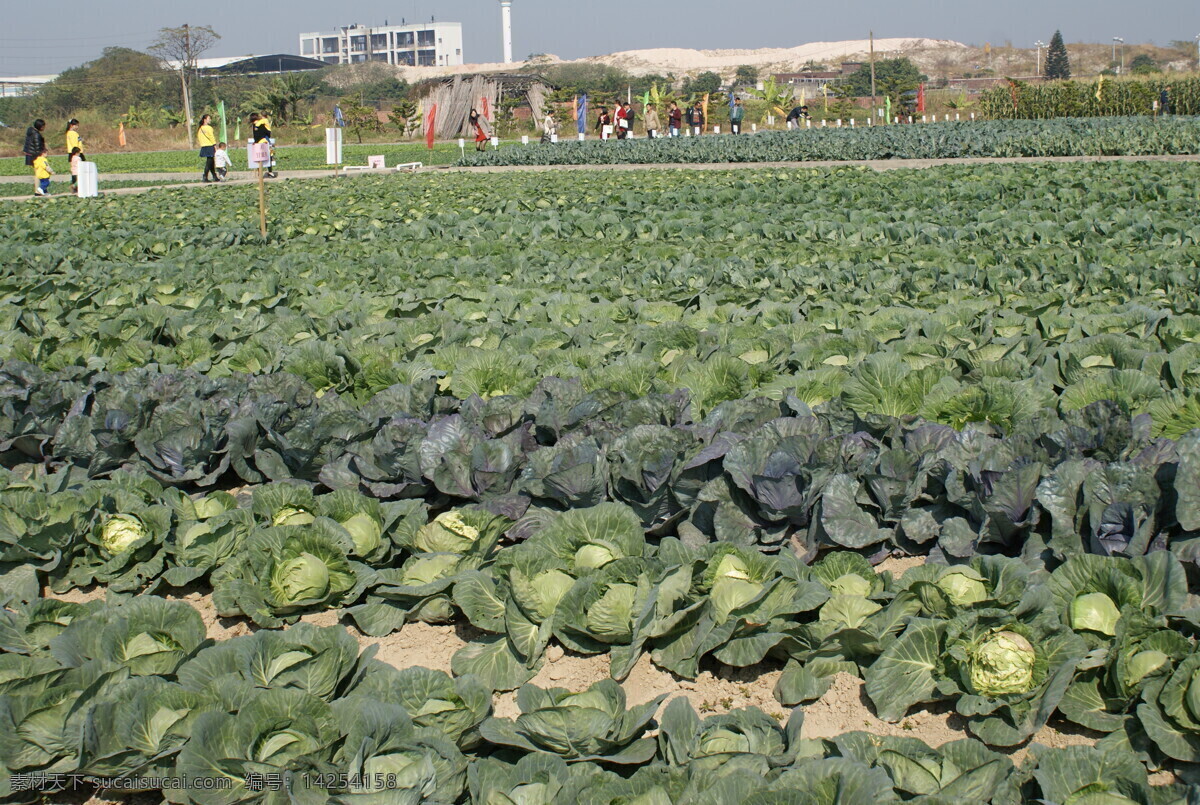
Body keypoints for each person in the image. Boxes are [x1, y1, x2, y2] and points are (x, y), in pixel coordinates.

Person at [249, 113, 277, 177]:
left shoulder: (254, 125)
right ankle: (270, 172)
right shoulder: (262, 123)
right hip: (264, 141)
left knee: (258, 158)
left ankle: (259, 173)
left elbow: (256, 135)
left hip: (258, 142)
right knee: (268, 156)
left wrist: (255, 142)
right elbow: (266, 132)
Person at [23, 119, 46, 193]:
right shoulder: (36, 134)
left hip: (30, 154)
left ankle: (39, 190)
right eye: (43, 126)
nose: (44, 128)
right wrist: (42, 154)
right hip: (34, 155)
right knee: (38, 173)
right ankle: (38, 191)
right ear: (40, 126)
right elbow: (37, 146)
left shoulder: (31, 132)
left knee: (37, 172)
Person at [197, 114, 218, 183]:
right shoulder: (209, 128)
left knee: (211, 161)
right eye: (209, 118)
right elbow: (212, 137)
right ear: (205, 120)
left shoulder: (200, 128)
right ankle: (205, 176)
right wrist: (215, 146)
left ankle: (214, 176)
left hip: (203, 146)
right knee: (209, 162)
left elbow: (199, 138)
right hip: (209, 145)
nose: (210, 120)